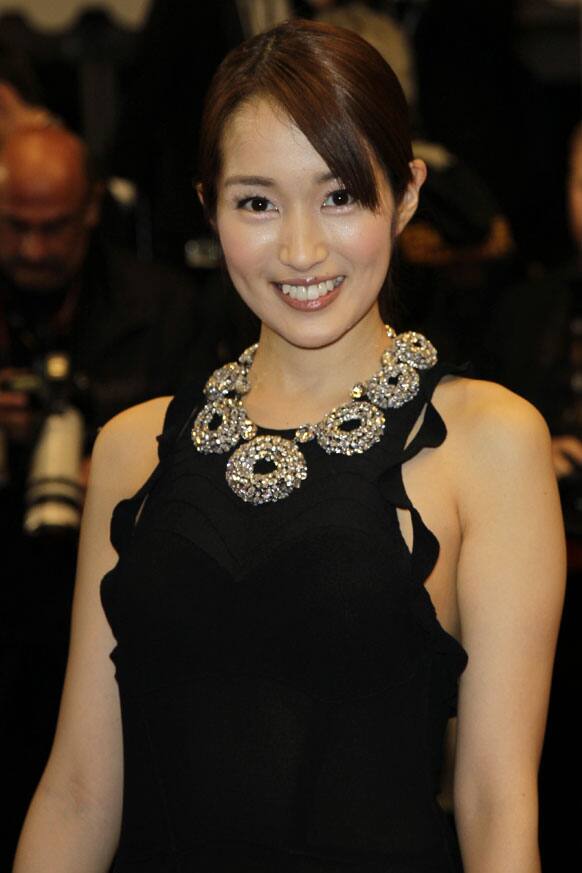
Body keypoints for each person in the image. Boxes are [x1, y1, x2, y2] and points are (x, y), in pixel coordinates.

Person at [13, 19, 564, 873]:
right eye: (257, 202)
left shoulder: (491, 442)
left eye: (340, 194)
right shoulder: (132, 449)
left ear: (407, 192)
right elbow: (81, 788)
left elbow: (495, 800)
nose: (302, 249)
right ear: (208, 206)